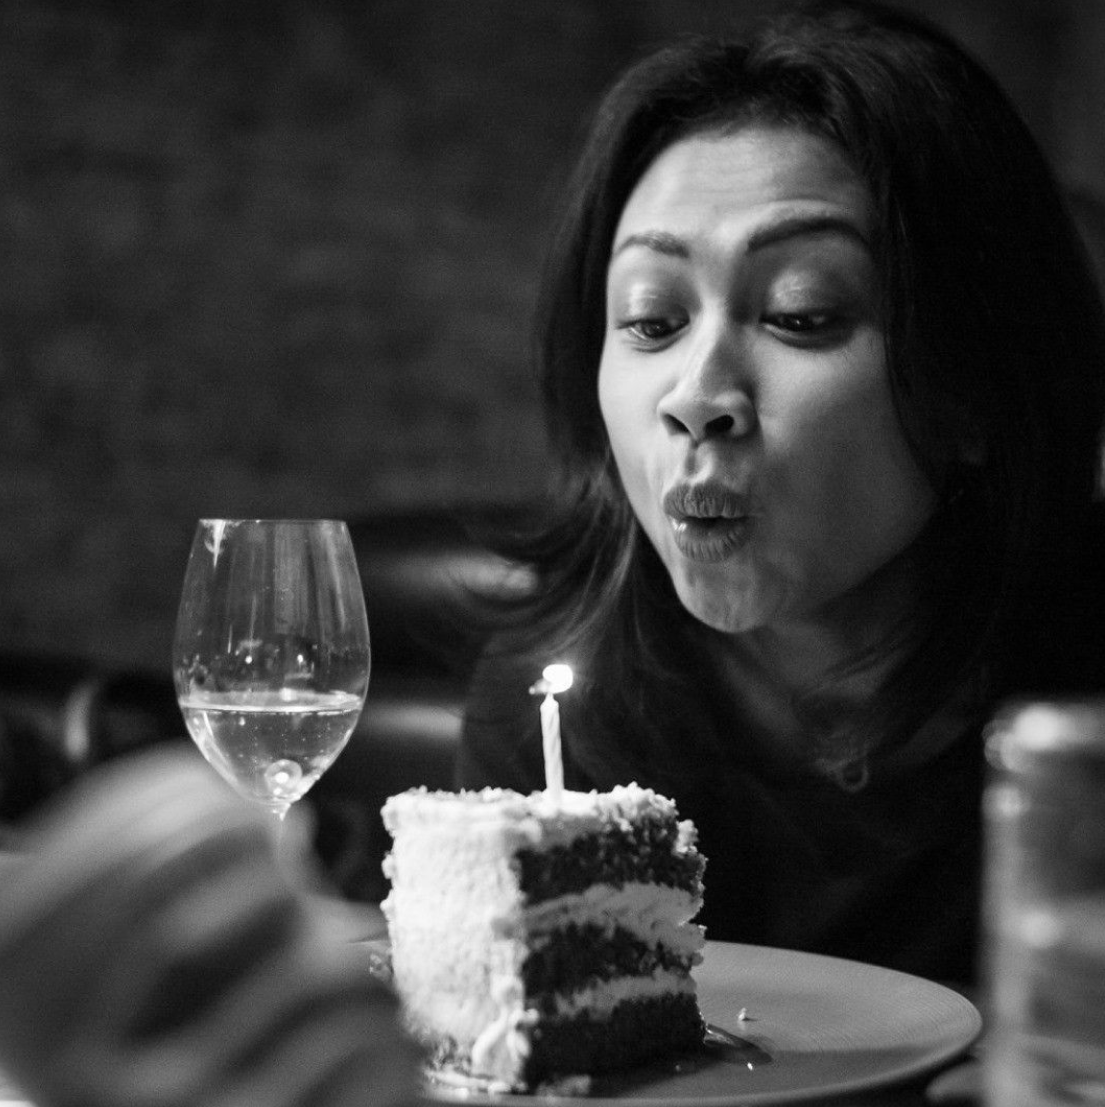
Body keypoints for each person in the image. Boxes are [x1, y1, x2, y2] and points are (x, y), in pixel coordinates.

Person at [457, 0, 1105, 986]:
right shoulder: (553, 725)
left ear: (975, 382)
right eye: (651, 318)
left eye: (800, 314)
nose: (696, 398)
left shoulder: (1078, 723)